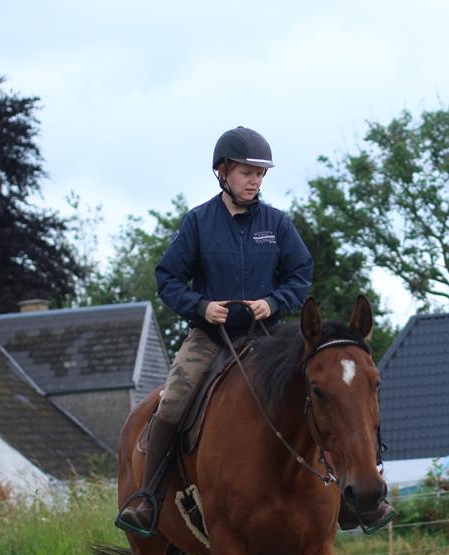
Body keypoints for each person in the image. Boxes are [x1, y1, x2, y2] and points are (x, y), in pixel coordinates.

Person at [118, 126, 313, 532]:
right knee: (171, 402)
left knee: (318, 391)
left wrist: (274, 302)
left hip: (267, 338)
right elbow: (168, 278)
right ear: (222, 172)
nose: (255, 180)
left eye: (261, 174)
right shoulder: (198, 223)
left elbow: (301, 273)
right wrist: (202, 307)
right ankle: (149, 500)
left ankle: (344, 497)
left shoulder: (277, 224)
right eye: (247, 172)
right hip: (209, 338)